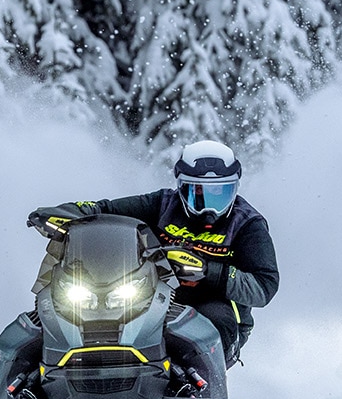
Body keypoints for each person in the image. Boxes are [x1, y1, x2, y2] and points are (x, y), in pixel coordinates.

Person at [27, 139, 279, 363]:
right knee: (75, 312)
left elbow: (264, 286)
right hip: (153, 294)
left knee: (213, 320)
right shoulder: (162, 204)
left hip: (217, 308)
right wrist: (72, 213)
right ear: (181, 188)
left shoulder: (247, 225)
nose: (207, 209)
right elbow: (107, 210)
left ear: (235, 189)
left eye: (219, 194)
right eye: (197, 194)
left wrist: (209, 272)